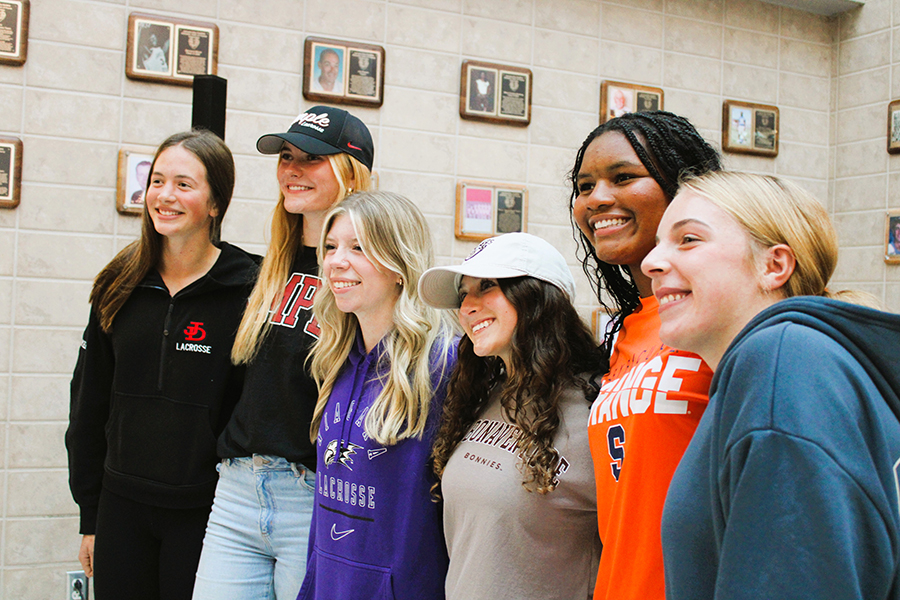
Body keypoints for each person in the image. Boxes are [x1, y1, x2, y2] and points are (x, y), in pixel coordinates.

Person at [642, 171, 900, 600]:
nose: (651, 261)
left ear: (773, 265)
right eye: (658, 243)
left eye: (688, 240)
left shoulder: (783, 363)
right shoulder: (800, 364)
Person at [66, 129, 259, 600]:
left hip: (206, 512)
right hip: (120, 507)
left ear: (216, 203)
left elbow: (250, 411)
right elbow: (88, 405)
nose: (164, 196)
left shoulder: (250, 290)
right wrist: (90, 515)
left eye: (184, 184)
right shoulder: (119, 283)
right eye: (156, 181)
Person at [191, 106, 373, 600]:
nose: (292, 168)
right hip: (236, 490)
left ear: (350, 172)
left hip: (315, 496)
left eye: (311, 158)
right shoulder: (269, 267)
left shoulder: (369, 275)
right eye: (286, 156)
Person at [568, 111, 722, 600]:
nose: (598, 199)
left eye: (623, 177)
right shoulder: (624, 333)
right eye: (585, 185)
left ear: (686, 187)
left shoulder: (722, 317)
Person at [419, 232, 605, 600]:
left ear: (538, 298)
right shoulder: (485, 394)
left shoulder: (597, 406)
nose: (467, 307)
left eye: (487, 286)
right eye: (462, 294)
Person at [297, 191, 456, 600]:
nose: (336, 261)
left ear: (399, 266)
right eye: (331, 247)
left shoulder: (443, 363)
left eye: (358, 248)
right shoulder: (337, 358)